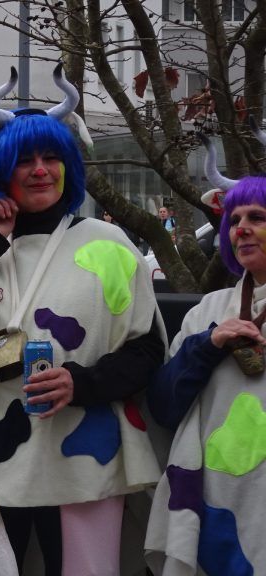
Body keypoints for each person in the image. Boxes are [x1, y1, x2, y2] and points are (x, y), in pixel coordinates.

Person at [0, 64, 165, 576]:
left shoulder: (108, 246)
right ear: (0, 172)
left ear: (68, 166)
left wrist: (82, 382)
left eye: (52, 157)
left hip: (80, 454)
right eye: (23, 160)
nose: (39, 169)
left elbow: (146, 352)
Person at [145, 137, 266, 574]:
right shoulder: (208, 311)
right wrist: (209, 343)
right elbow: (163, 404)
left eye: (257, 217)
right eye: (234, 220)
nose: (242, 228)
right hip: (214, 498)